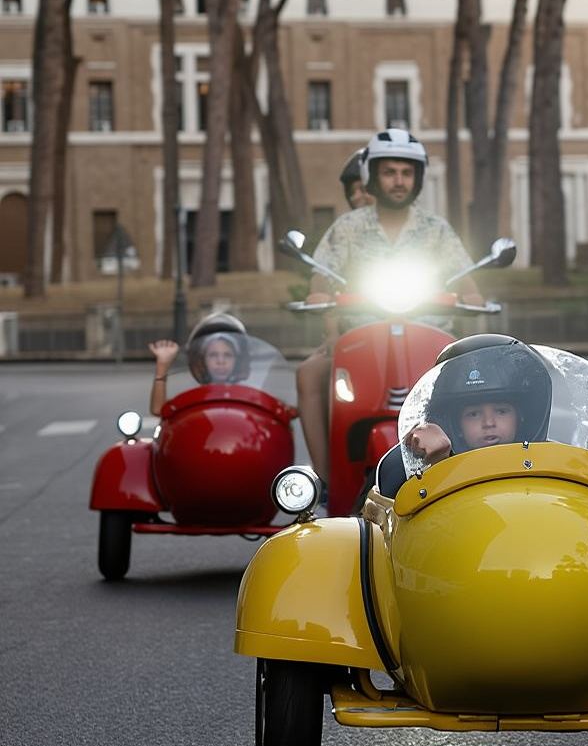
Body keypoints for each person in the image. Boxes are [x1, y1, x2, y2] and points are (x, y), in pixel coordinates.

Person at [295, 128, 482, 483]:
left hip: (429, 337)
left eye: (406, 173)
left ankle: (469, 473)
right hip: (360, 338)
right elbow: (321, 281)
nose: (399, 181)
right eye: (389, 172)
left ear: (418, 179)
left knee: (480, 376)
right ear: (372, 177)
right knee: (310, 372)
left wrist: (473, 299)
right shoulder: (347, 227)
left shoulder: (436, 229)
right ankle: (322, 479)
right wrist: (321, 304)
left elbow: (467, 282)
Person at [402, 337, 553, 465]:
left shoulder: (550, 460)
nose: (488, 423)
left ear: (521, 417)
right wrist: (437, 459)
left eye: (501, 411)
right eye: (473, 414)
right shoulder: (439, 458)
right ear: (456, 424)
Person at [147, 312, 250, 415]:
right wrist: (162, 365)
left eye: (227, 355)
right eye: (213, 355)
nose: (221, 361)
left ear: (237, 361)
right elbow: (158, 409)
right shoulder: (194, 399)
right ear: (202, 360)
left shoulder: (248, 399)